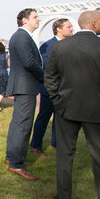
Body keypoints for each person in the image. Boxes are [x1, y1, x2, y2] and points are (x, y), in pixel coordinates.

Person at [45, 10, 100, 199]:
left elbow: (50, 76)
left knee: (64, 153)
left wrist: (57, 99)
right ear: (94, 23)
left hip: (66, 106)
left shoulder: (60, 46)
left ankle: (63, 196)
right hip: (96, 107)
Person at [5, 8, 45, 180]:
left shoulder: (22, 36)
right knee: (23, 124)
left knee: (18, 123)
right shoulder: (22, 36)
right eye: (35, 17)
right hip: (25, 85)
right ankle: (16, 164)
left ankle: (12, 157)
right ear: (25, 20)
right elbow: (29, 62)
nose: (38, 19)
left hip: (24, 84)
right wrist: (45, 77)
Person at [29, 18, 74, 156]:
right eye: (68, 26)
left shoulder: (71, 45)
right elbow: (47, 67)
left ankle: (57, 144)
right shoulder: (48, 45)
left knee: (61, 119)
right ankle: (36, 146)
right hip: (51, 89)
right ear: (58, 29)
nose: (72, 29)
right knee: (44, 118)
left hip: (66, 89)